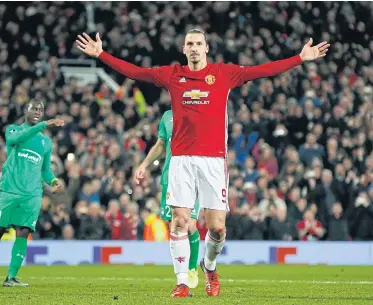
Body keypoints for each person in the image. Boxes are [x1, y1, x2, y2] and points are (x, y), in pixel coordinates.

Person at [76, 30, 329, 297]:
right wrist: (101, 55)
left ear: (206, 48)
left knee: (217, 228)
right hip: (181, 160)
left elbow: (263, 70)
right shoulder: (172, 75)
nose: (194, 48)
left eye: (198, 43)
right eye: (189, 44)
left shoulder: (224, 74)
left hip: (213, 161)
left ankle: (209, 267)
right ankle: (182, 282)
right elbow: (136, 72)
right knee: (179, 221)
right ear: (184, 49)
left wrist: (299, 58)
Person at [0, 99, 65, 287]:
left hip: (32, 194)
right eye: (34, 108)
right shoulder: (13, 129)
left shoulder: (46, 142)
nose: (37, 111)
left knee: (23, 232)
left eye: (41, 109)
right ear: (25, 110)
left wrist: (53, 180)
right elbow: (13, 141)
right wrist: (44, 124)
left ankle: (10, 277)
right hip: (9, 190)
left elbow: (44, 169)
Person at [134, 110, 201, 289]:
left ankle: (192, 268)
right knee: (175, 226)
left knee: (190, 225)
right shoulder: (167, 116)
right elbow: (160, 144)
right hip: (170, 178)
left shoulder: (200, 111)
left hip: (193, 177)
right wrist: (143, 164)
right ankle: (181, 278)